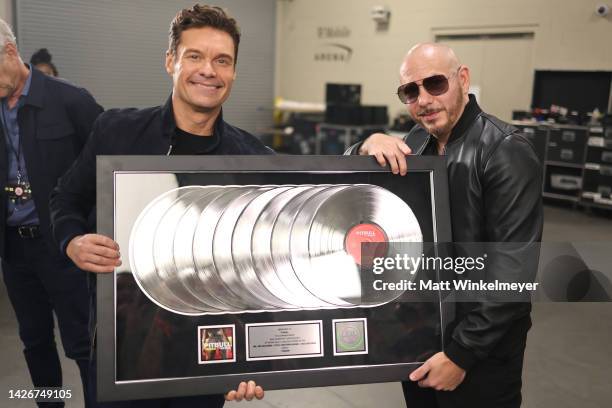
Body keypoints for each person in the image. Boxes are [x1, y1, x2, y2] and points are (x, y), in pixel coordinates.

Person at [49, 4, 268, 406]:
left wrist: (252, 358)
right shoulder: (116, 132)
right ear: (171, 61)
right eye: (195, 56)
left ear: (234, 72)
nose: (209, 70)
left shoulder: (252, 160)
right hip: (123, 342)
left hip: (208, 350)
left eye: (222, 60)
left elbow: (273, 262)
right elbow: (65, 197)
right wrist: (72, 241)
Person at [346, 43, 543, 407]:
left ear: (462, 79)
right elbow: (350, 188)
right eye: (411, 91)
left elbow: (514, 273)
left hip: (480, 355)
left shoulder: (505, 151)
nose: (423, 99)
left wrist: (461, 354)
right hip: (420, 340)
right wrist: (365, 145)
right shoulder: (416, 142)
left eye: (435, 84)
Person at [0, 19, 103, 407]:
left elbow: (106, 165)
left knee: (84, 343)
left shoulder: (70, 100)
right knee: (34, 341)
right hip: (14, 249)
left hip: (64, 245)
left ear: (10, 52)